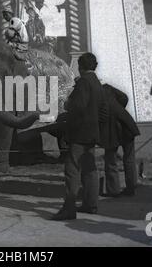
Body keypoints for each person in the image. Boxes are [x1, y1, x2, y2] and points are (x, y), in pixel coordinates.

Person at [51, 53, 107, 220]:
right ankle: (91, 205)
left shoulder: (83, 82)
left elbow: (78, 106)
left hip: (79, 133)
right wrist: (96, 127)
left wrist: (67, 104)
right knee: (90, 169)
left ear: (80, 67)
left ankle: (69, 209)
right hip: (92, 134)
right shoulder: (97, 83)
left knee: (72, 170)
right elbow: (104, 111)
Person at [102, 84, 140, 197]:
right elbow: (124, 97)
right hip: (126, 124)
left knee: (110, 159)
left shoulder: (94, 93)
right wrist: (118, 108)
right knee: (129, 158)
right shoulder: (107, 88)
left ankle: (113, 190)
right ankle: (131, 188)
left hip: (112, 128)